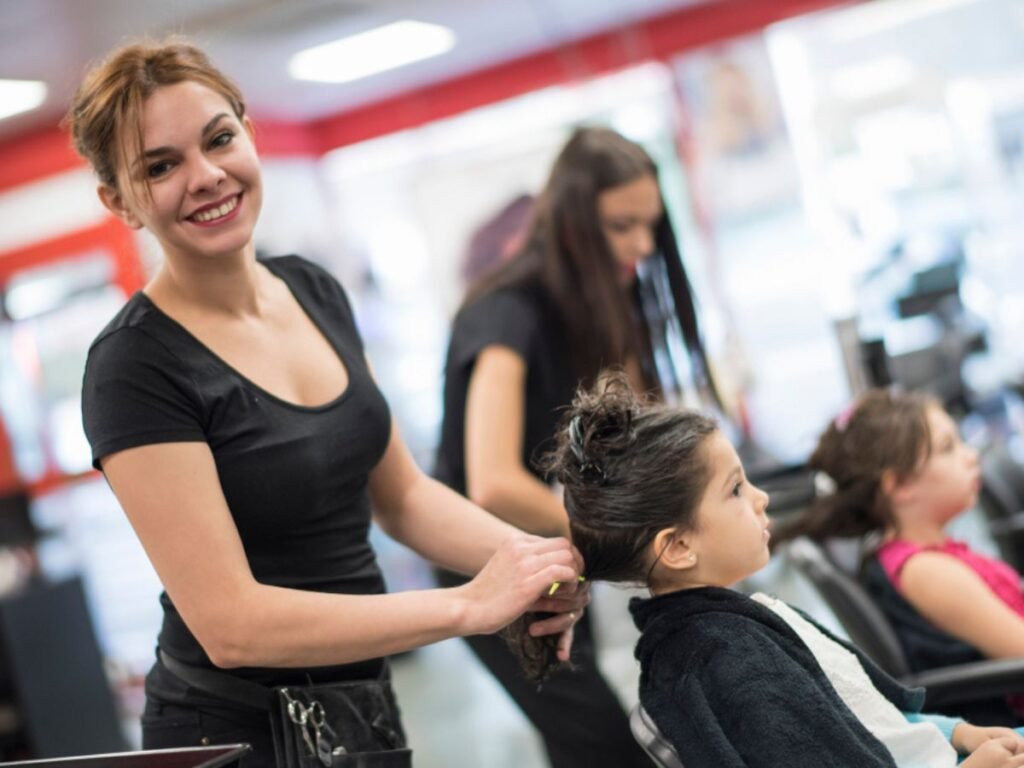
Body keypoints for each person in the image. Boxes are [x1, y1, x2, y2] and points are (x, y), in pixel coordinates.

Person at [68, 40, 586, 767]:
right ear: (119, 201)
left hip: (356, 706)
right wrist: (472, 605)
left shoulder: (312, 289)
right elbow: (232, 625)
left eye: (219, 139)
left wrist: (534, 564)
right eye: (160, 165)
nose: (206, 176)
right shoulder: (133, 367)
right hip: (231, 733)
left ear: (248, 130)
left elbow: (402, 497)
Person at [524, 370, 1024, 767]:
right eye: (736, 489)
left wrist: (961, 733)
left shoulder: (741, 623)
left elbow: (875, 717)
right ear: (676, 547)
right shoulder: (731, 667)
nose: (761, 499)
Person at [433, 126, 717, 767]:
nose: (643, 246)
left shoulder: (599, 304)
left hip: (550, 554)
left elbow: (639, 424)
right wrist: (624, 532)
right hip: (480, 556)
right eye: (622, 227)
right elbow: (492, 481)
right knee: (604, 744)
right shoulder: (507, 312)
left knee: (584, 745)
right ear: (572, 223)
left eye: (650, 226)